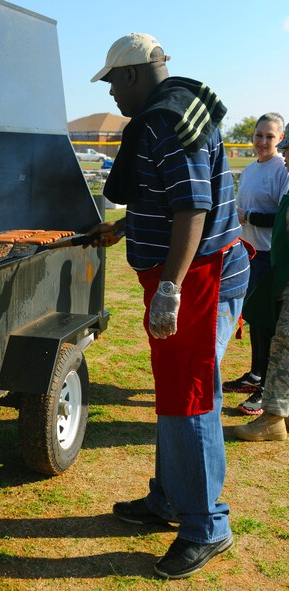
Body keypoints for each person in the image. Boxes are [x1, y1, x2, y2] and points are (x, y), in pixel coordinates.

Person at [87, 33, 250, 579]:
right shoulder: (176, 108)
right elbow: (168, 197)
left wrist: (170, 287)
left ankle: (207, 525)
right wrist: (127, 227)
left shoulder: (163, 122)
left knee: (193, 397)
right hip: (188, 271)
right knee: (176, 392)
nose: (111, 95)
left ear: (131, 74)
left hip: (199, 277)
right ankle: (168, 499)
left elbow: (193, 207)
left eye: (112, 83)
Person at [222, 114, 289, 415]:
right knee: (252, 318)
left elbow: (280, 217)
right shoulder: (249, 169)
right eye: (258, 135)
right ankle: (255, 374)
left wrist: (248, 218)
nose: (262, 142)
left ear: (281, 138)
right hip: (248, 254)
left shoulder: (282, 169)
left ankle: (265, 389)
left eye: (270, 137)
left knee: (267, 324)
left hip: (268, 256)